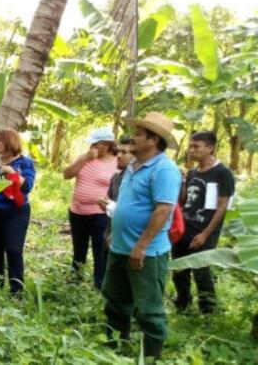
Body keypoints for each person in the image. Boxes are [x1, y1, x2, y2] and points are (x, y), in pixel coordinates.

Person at [102, 112, 181, 361]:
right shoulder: (133, 166)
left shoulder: (164, 170)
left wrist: (141, 245)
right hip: (120, 247)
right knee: (115, 300)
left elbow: (163, 210)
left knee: (149, 309)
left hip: (146, 252)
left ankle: (151, 357)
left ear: (154, 140)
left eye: (138, 134)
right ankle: (115, 346)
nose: (132, 138)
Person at [172, 131, 234, 314]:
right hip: (184, 229)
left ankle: (208, 312)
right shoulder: (192, 172)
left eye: (196, 146)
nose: (191, 150)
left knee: (201, 273)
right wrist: (183, 182)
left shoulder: (222, 173)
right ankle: (182, 304)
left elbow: (222, 206)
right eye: (190, 146)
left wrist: (206, 234)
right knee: (179, 270)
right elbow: (184, 201)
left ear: (210, 148)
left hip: (204, 231)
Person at [0, 129, 36, 295]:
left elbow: (27, 187)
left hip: (15, 212)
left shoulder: (25, 163)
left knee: (13, 250)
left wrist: (12, 173)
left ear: (9, 142)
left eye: (0, 140)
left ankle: (16, 290)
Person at [63, 128, 118, 289]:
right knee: (79, 248)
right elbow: (67, 174)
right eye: (92, 143)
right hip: (77, 211)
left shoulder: (116, 163)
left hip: (100, 213)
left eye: (97, 143)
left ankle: (99, 284)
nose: (93, 146)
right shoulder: (86, 158)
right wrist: (84, 159)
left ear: (107, 144)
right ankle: (75, 280)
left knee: (99, 250)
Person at [97, 137, 135, 244]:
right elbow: (113, 205)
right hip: (110, 235)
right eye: (118, 152)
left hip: (127, 240)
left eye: (124, 152)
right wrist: (106, 205)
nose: (118, 156)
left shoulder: (140, 182)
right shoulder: (116, 178)